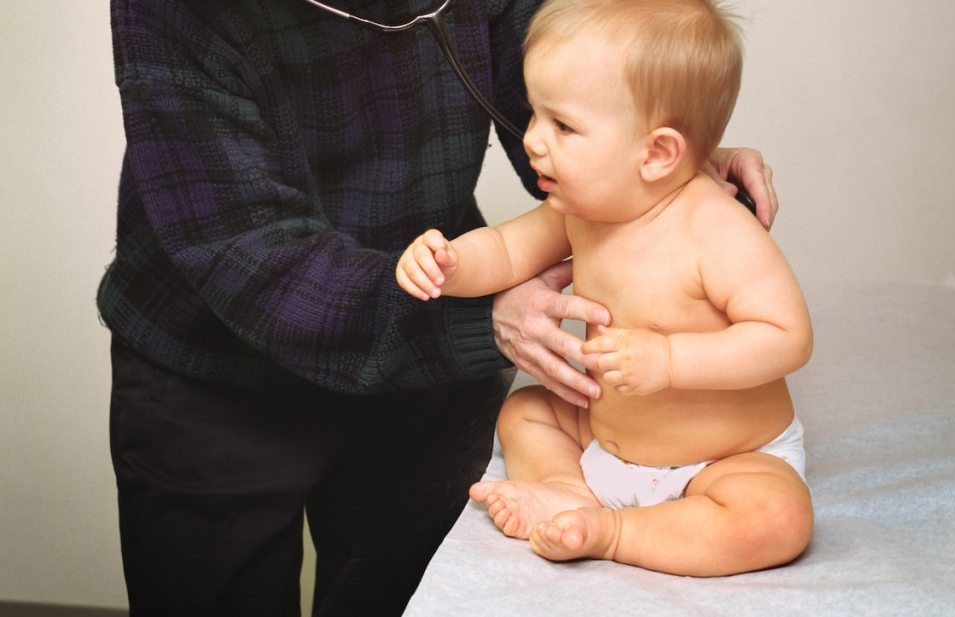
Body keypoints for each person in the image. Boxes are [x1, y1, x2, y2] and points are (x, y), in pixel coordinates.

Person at [100, 0, 777, 614]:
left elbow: (572, 96)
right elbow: (245, 253)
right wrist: (477, 318)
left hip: (419, 373)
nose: (545, 135)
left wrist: (673, 178)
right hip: (216, 370)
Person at [396, 0, 812, 577]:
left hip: (723, 458)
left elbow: (786, 338)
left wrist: (670, 358)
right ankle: (568, 489)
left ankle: (614, 532)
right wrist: (448, 262)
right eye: (536, 114)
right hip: (604, 436)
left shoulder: (716, 228)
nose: (534, 139)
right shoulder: (580, 206)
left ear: (658, 153)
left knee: (776, 518)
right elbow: (508, 251)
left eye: (562, 125)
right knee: (524, 412)